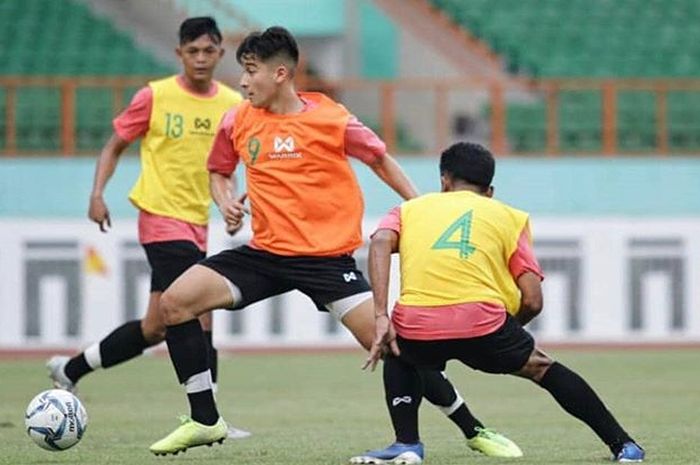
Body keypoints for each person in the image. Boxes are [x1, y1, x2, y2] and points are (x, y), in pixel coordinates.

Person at [147, 26, 521, 458]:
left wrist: (420, 211)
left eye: (251, 72)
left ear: (282, 73)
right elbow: (218, 170)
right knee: (173, 304)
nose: (243, 82)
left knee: (394, 345)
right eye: (242, 72)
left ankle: (473, 428)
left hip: (326, 261)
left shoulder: (331, 119)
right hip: (265, 254)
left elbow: (379, 158)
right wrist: (226, 200)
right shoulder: (237, 119)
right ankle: (205, 420)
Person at [356, 142, 646, 463]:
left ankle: (407, 444)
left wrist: (381, 314)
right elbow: (533, 300)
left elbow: (381, 240)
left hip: (419, 324)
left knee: (397, 349)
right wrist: (505, 332)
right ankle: (624, 446)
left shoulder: (409, 210)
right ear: (489, 190)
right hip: (484, 324)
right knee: (542, 368)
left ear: (444, 181)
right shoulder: (509, 217)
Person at [46, 17, 250, 439]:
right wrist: (97, 193)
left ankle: (70, 368)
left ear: (219, 53)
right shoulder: (154, 96)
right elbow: (115, 144)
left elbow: (226, 168)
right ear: (179, 54)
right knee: (201, 310)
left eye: (207, 50)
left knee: (156, 325)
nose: (199, 58)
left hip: (196, 221)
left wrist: (228, 205)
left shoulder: (232, 104)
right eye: (191, 51)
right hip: (160, 217)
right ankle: (209, 418)